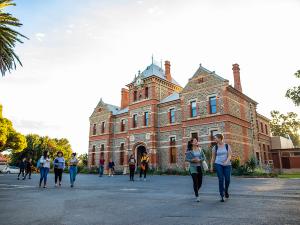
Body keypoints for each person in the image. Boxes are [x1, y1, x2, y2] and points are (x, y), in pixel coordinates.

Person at [210, 133, 232, 202]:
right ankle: (221, 195)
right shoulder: (215, 147)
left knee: (227, 179)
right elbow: (213, 158)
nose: (214, 139)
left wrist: (226, 162)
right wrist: (211, 166)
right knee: (221, 179)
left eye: (215, 138)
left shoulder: (227, 146)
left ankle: (226, 191)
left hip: (227, 165)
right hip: (218, 164)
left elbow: (229, 155)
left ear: (219, 138)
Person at [185, 138, 206, 202]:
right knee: (195, 182)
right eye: (195, 141)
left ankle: (196, 191)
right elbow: (186, 159)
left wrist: (199, 160)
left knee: (200, 183)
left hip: (199, 167)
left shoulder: (200, 149)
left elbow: (204, 157)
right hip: (192, 167)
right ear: (192, 143)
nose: (196, 141)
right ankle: (197, 196)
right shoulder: (189, 151)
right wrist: (192, 160)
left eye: (197, 140)